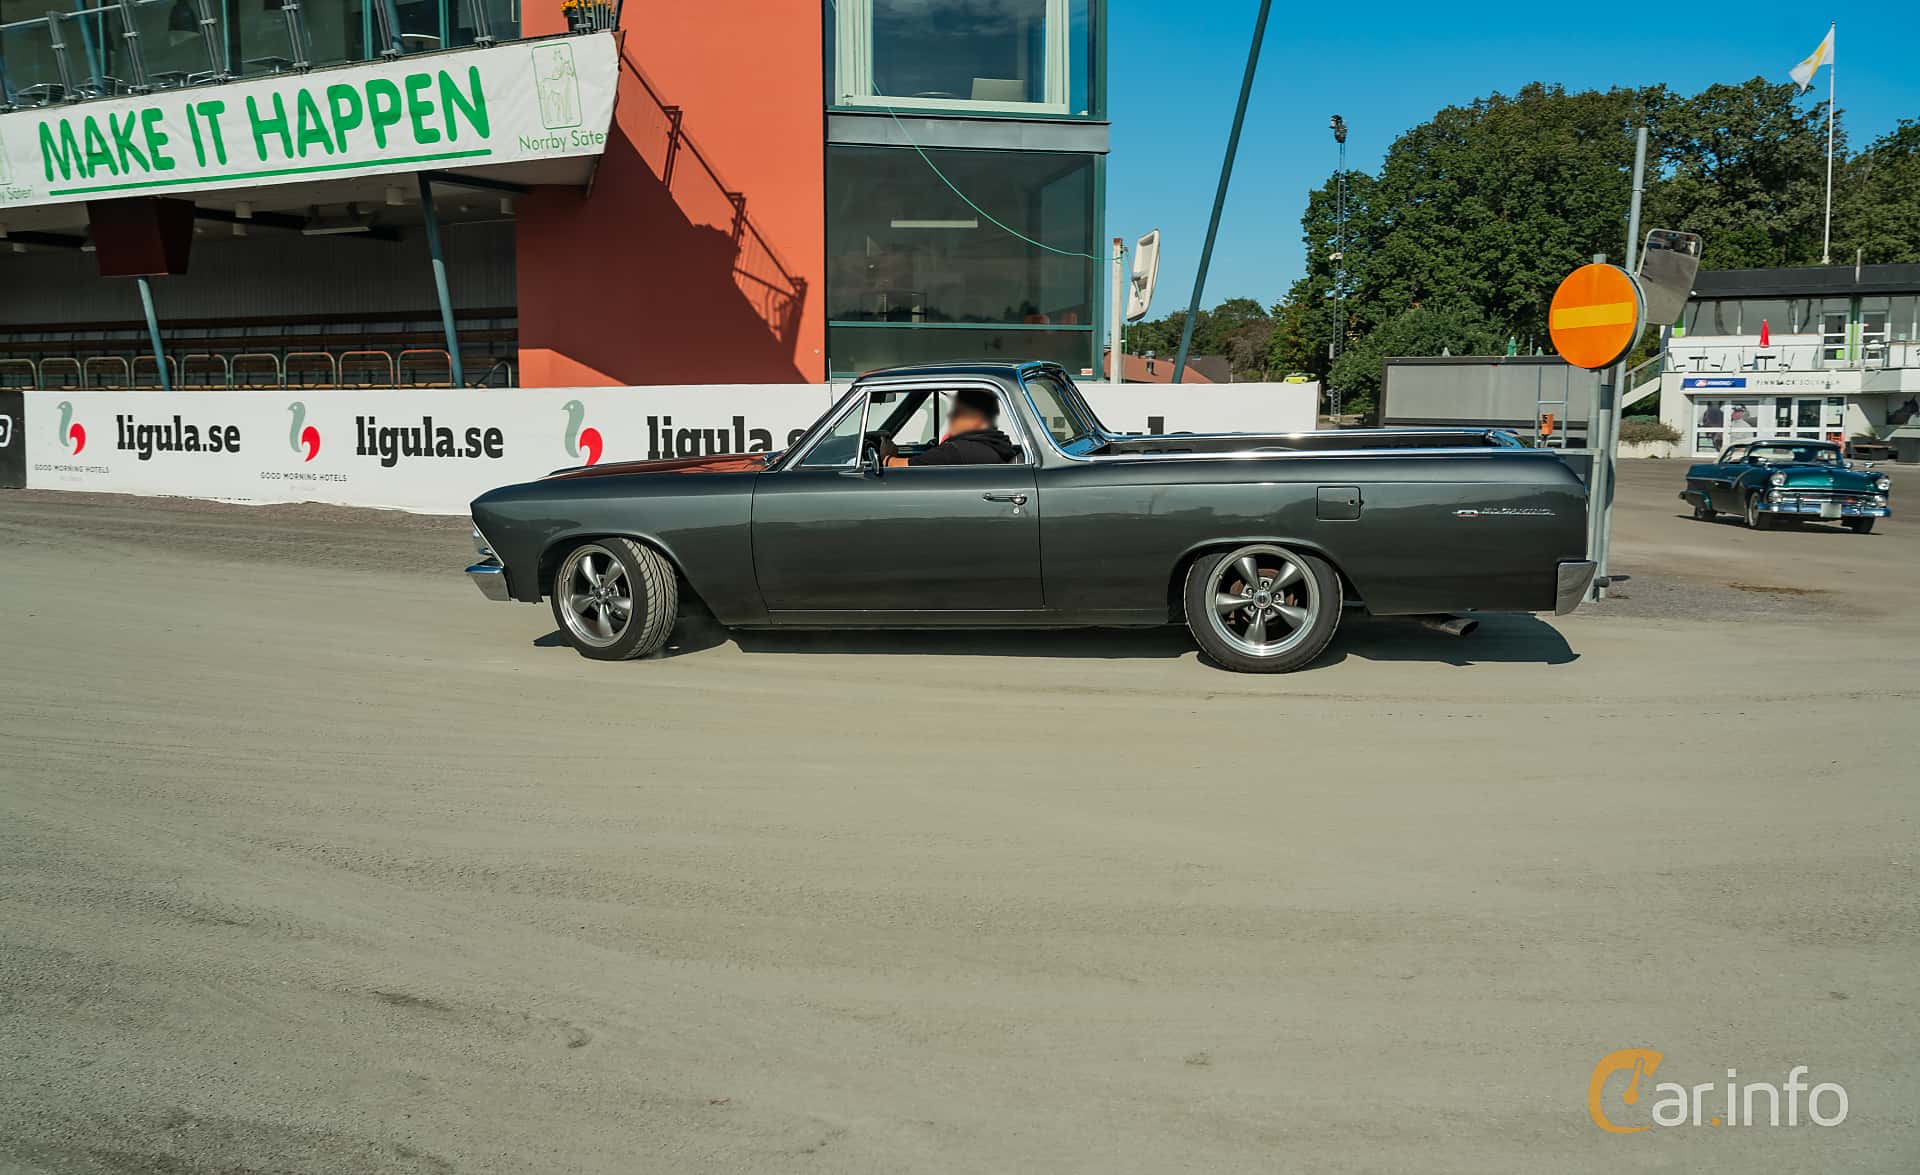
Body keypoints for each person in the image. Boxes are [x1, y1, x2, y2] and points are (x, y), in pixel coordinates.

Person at [881, 389, 1019, 467]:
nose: (951, 417)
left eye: (957, 413)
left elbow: (904, 467)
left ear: (976, 419)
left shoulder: (956, 451)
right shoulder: (996, 444)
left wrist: (885, 456)